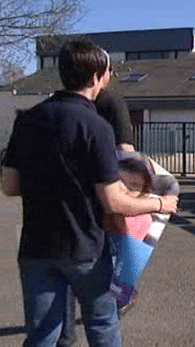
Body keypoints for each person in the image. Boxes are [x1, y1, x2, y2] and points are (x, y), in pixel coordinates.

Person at [1, 39, 178, 347]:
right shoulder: (95, 126)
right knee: (103, 326)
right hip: (86, 248)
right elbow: (112, 200)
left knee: (43, 334)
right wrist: (161, 201)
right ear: (96, 77)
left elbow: (10, 186)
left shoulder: (26, 121)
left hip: (35, 246)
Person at [59, 87, 137, 346]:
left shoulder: (59, 106)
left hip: (65, 203)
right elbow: (126, 150)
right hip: (105, 200)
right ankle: (113, 312)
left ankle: (65, 333)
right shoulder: (112, 100)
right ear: (100, 73)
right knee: (110, 266)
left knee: (64, 273)